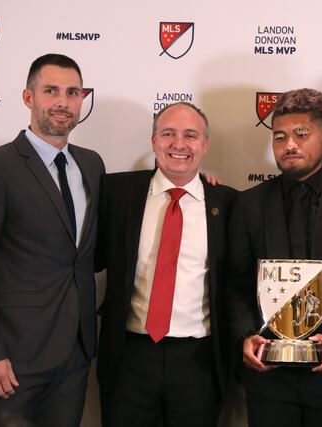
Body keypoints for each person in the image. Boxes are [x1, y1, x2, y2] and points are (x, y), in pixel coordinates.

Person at [0, 53, 105, 426]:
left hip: (75, 355)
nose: (62, 102)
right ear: (28, 98)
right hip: (11, 359)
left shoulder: (92, 164)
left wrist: (197, 183)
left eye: (72, 93)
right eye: (50, 90)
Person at [226, 88, 322, 427]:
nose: (289, 145)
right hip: (267, 377)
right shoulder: (248, 205)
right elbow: (235, 286)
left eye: (301, 134)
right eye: (279, 137)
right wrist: (244, 336)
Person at [96, 102, 237, 427]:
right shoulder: (116, 192)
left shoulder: (228, 203)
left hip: (198, 362)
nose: (178, 144)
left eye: (190, 135)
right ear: (153, 141)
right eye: (168, 134)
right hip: (129, 356)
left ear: (204, 145)